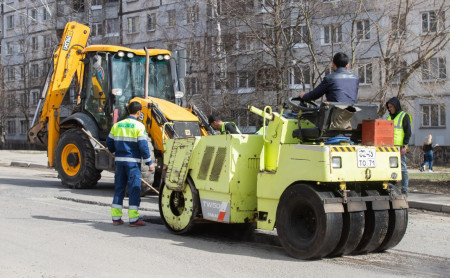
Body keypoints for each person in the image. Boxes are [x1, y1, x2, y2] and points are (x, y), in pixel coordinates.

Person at [106, 101, 155, 226]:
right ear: (139, 112)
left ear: (128, 111)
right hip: (133, 163)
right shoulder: (139, 126)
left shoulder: (117, 125)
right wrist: (149, 162)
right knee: (134, 189)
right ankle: (133, 219)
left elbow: (109, 144)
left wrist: (114, 150)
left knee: (119, 188)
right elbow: (143, 146)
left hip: (120, 162)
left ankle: (116, 218)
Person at [386, 97, 412, 196]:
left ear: (396, 106)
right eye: (388, 107)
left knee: (402, 169)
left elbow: (408, 132)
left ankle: (404, 191)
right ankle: (391, 188)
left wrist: (404, 145)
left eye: (391, 107)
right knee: (390, 168)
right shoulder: (389, 117)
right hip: (389, 148)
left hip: (400, 147)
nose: (390, 109)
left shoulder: (404, 116)